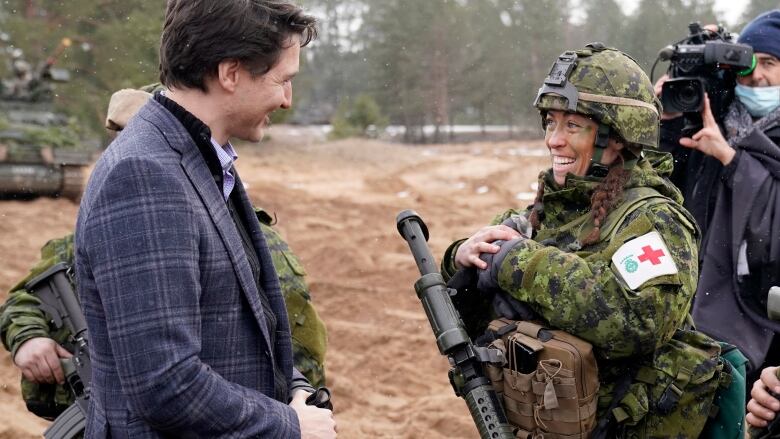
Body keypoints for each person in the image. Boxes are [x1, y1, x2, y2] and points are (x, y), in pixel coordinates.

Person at [74, 1, 335, 437]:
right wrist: (287, 425)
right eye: (282, 81)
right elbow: (164, 383)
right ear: (230, 73)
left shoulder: (197, 158)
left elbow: (247, 327)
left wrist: (295, 390)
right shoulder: (144, 174)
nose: (287, 100)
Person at [441, 44, 723, 436]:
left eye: (572, 126)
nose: (553, 140)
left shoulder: (654, 220)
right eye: (550, 123)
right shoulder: (543, 213)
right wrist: (460, 258)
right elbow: (458, 322)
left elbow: (637, 321)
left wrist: (519, 265)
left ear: (619, 136)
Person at [657, 10, 780, 381]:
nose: (757, 75)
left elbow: (772, 230)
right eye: (749, 65)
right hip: (700, 296)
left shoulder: (725, 139)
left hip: (765, 311)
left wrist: (730, 158)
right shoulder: (715, 116)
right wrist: (668, 122)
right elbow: (668, 188)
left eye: (771, 63)